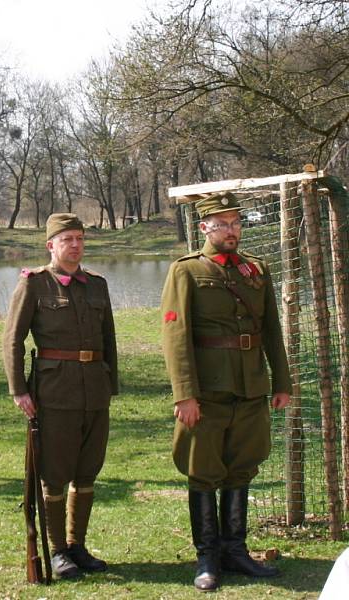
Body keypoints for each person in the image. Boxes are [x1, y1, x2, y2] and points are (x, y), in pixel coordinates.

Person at [160, 191, 292, 592]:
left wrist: (281, 381)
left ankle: (235, 550)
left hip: (250, 388)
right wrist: (185, 394)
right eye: (222, 224)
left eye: (236, 223)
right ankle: (208, 556)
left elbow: (271, 330)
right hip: (207, 392)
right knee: (203, 472)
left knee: (242, 466)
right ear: (204, 228)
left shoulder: (257, 269)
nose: (231, 230)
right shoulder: (186, 271)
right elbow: (175, 336)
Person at [2, 213, 118, 580]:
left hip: (94, 392)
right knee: (54, 475)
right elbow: (12, 339)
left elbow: (109, 341)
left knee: (87, 472)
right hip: (54, 393)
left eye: (80, 238)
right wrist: (19, 389)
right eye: (67, 239)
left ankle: (77, 545)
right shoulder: (35, 284)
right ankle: (57, 551)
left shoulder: (96, 285)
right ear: (51, 244)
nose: (75, 245)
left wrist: (110, 386)